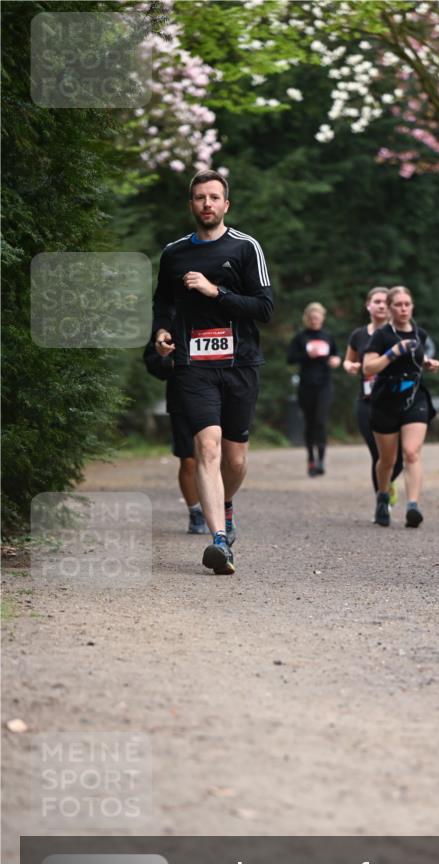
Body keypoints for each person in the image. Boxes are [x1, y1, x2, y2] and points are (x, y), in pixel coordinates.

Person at [153, 169, 273, 575]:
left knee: (235, 460)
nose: (207, 203)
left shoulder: (245, 248)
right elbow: (163, 306)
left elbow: (265, 309)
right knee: (207, 447)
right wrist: (163, 333)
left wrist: (214, 291)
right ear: (191, 205)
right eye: (200, 197)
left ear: (226, 204)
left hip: (240, 364)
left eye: (214, 197)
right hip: (193, 366)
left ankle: (224, 504)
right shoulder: (173, 254)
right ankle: (220, 542)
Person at [363, 286, 439, 528]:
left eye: (407, 304)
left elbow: (418, 358)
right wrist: (392, 352)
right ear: (390, 307)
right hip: (386, 399)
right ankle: (382, 497)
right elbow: (368, 368)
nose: (404, 308)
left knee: (411, 453)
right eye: (398, 304)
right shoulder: (382, 335)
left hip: (414, 398)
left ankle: (413, 506)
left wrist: (429, 363)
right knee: (387, 459)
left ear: (412, 306)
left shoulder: (421, 335)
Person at [344, 287, 403, 508]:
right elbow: (347, 360)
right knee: (377, 453)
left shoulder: (398, 333)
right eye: (376, 301)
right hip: (367, 402)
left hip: (395, 401)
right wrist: (350, 366)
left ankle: (386, 484)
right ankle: (382, 500)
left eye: (384, 302)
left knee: (398, 458)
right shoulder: (358, 335)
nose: (380, 305)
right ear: (368, 305)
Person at [143, 338, 207, 534]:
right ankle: (195, 512)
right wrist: (168, 360)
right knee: (189, 461)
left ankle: (220, 508)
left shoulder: (222, 310)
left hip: (220, 395)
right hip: (182, 398)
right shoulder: (169, 321)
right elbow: (153, 363)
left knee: (219, 458)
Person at [287, 302, 341, 476]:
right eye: (312, 318)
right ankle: (310, 459)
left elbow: (336, 355)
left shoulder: (328, 336)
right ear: (307, 319)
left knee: (320, 421)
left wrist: (336, 361)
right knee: (309, 423)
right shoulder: (300, 337)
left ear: (322, 318)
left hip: (324, 385)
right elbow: (290, 358)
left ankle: (321, 460)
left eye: (318, 317)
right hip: (306, 385)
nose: (315, 320)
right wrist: (306, 356)